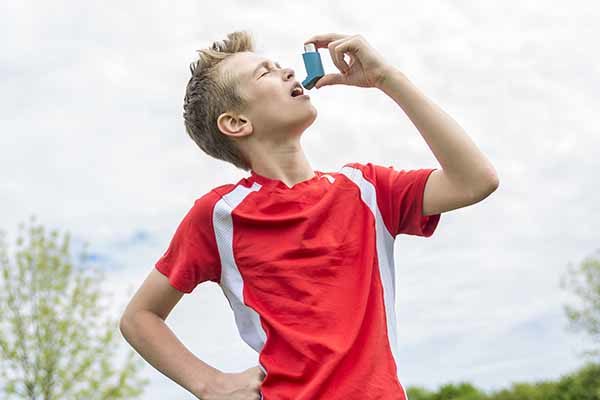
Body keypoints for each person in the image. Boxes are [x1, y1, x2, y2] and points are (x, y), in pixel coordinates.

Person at [119, 30, 499, 400]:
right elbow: (139, 317)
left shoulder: (366, 189)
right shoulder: (219, 216)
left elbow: (475, 180)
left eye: (280, 64)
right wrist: (210, 383)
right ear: (236, 123)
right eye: (264, 72)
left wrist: (387, 78)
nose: (286, 70)